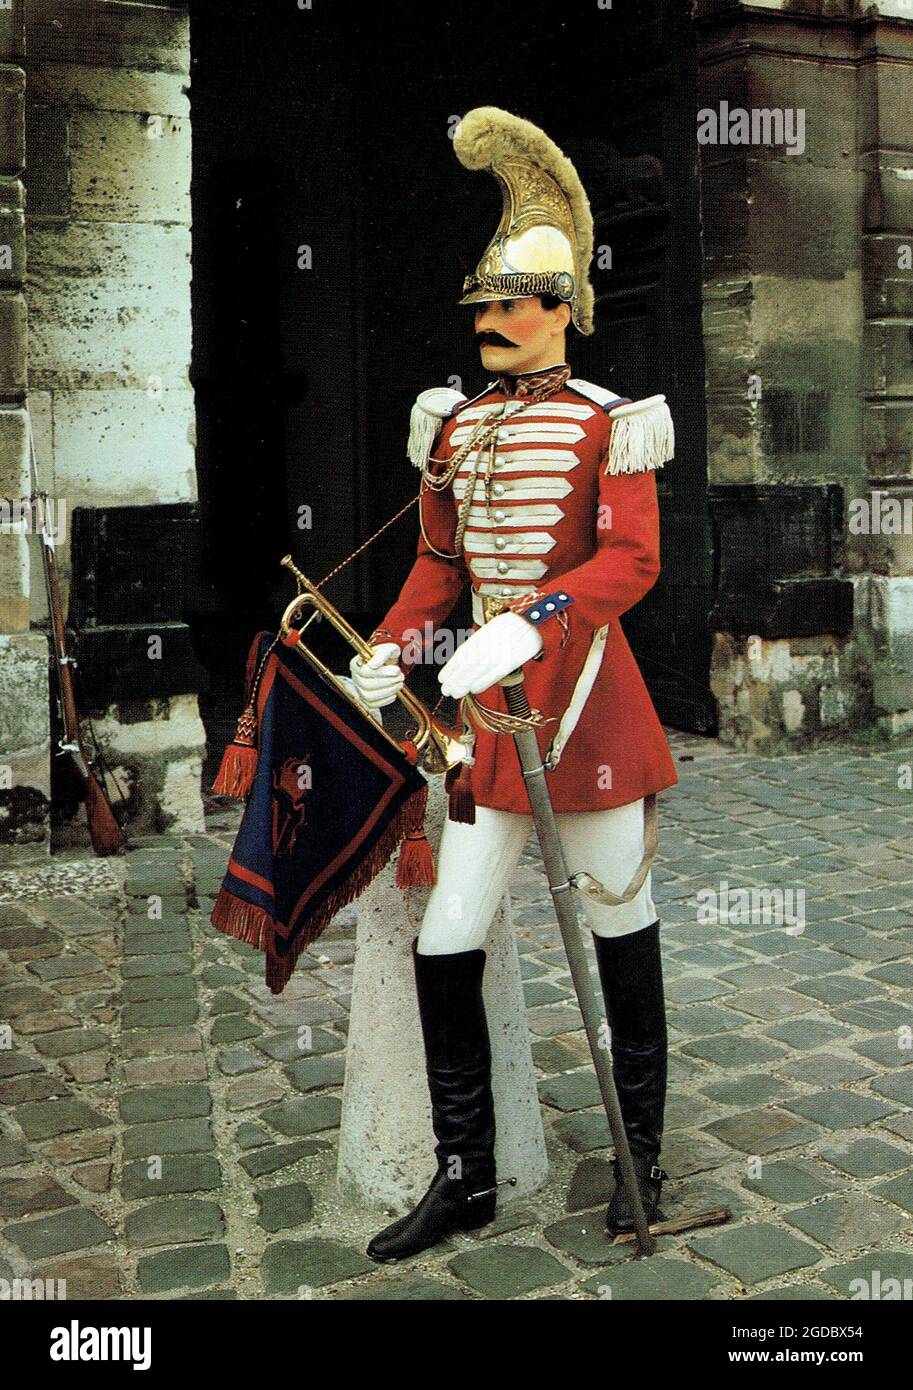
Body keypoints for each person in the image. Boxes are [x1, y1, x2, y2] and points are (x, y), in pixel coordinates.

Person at [350, 107, 678, 1263]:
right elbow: (440, 564)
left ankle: (641, 1158)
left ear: (561, 311)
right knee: (448, 936)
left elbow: (629, 562)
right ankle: (465, 1174)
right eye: (481, 305)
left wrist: (535, 622)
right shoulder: (455, 427)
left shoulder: (614, 423)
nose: (489, 322)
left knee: (615, 922)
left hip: (580, 702)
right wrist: (393, 645)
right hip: (486, 721)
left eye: (509, 304)